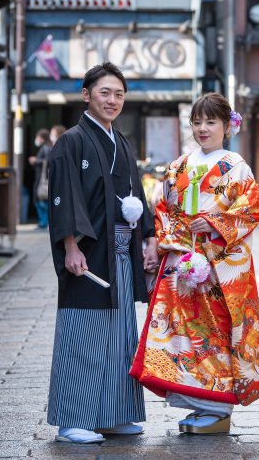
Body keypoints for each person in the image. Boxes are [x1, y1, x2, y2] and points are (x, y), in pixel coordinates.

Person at [130, 92, 259, 435]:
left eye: (211, 122)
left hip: (216, 268)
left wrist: (213, 224)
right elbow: (163, 209)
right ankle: (197, 402)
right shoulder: (179, 165)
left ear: (227, 125)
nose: (203, 129)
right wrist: (168, 239)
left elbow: (250, 210)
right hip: (182, 261)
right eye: (197, 122)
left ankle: (219, 405)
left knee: (216, 331)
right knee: (181, 332)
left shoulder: (237, 167)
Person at [46, 61, 158, 444]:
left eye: (119, 94)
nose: (112, 100)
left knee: (119, 335)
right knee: (83, 333)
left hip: (121, 254)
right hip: (89, 254)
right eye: (105, 92)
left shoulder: (122, 143)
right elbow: (63, 198)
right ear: (86, 94)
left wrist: (150, 239)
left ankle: (114, 414)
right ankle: (71, 418)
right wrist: (70, 246)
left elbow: (136, 197)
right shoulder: (71, 141)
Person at [28, 129, 53, 229]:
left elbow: (48, 161)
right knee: (40, 199)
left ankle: (44, 222)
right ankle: (43, 222)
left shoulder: (46, 148)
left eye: (38, 137)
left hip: (43, 178)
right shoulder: (46, 147)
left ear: (42, 138)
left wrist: (36, 160)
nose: (36, 139)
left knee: (41, 200)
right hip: (41, 177)